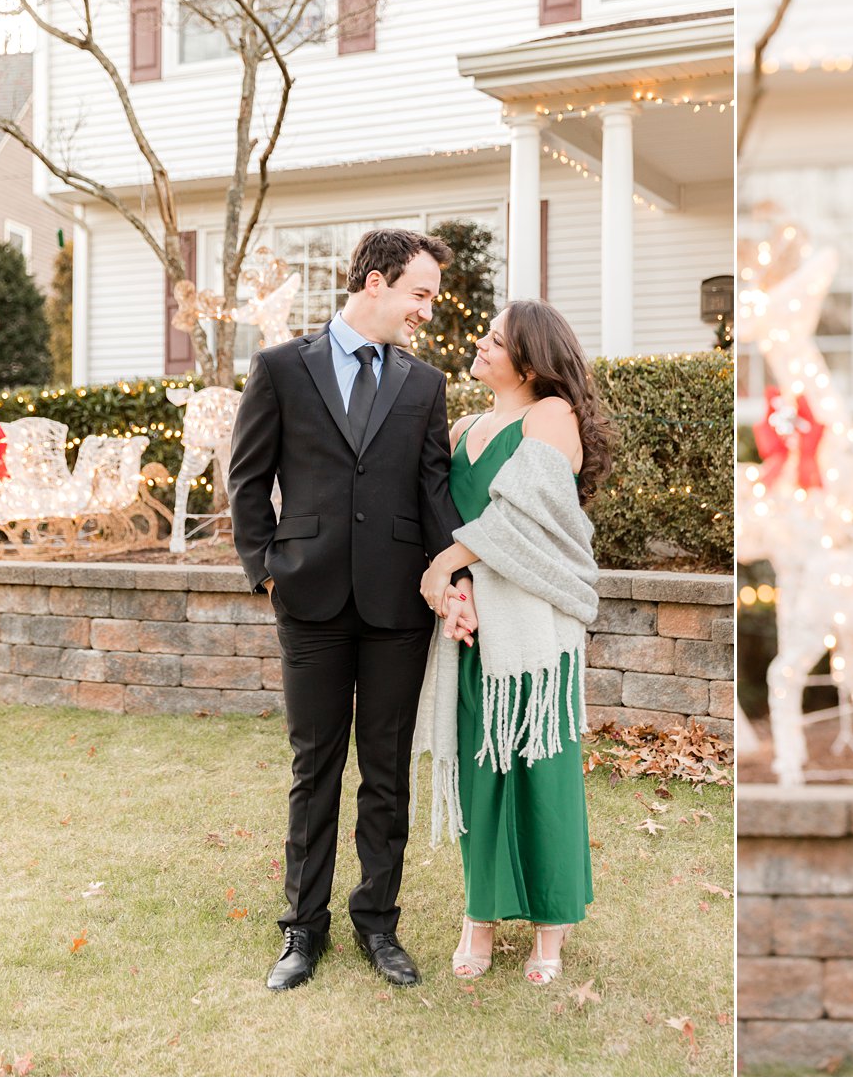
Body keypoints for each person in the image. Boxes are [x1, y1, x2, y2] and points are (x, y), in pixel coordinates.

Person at [228, 228, 466, 991]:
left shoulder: (425, 385)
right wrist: (266, 572)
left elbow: (434, 495)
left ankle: (378, 923)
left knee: (387, 770)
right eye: (419, 293)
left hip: (400, 605)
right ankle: (303, 929)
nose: (428, 309)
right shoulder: (279, 369)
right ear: (373, 282)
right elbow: (246, 480)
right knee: (314, 767)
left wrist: (449, 579)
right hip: (309, 597)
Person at [412, 298, 612, 986]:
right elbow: (436, 515)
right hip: (471, 627)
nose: (482, 345)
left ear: (529, 360)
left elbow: (523, 512)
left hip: (534, 626)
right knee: (480, 773)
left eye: (496, 340)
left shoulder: (550, 415)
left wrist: (446, 565)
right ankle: (480, 915)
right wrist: (452, 587)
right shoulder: (462, 425)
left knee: (540, 772)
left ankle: (550, 931)